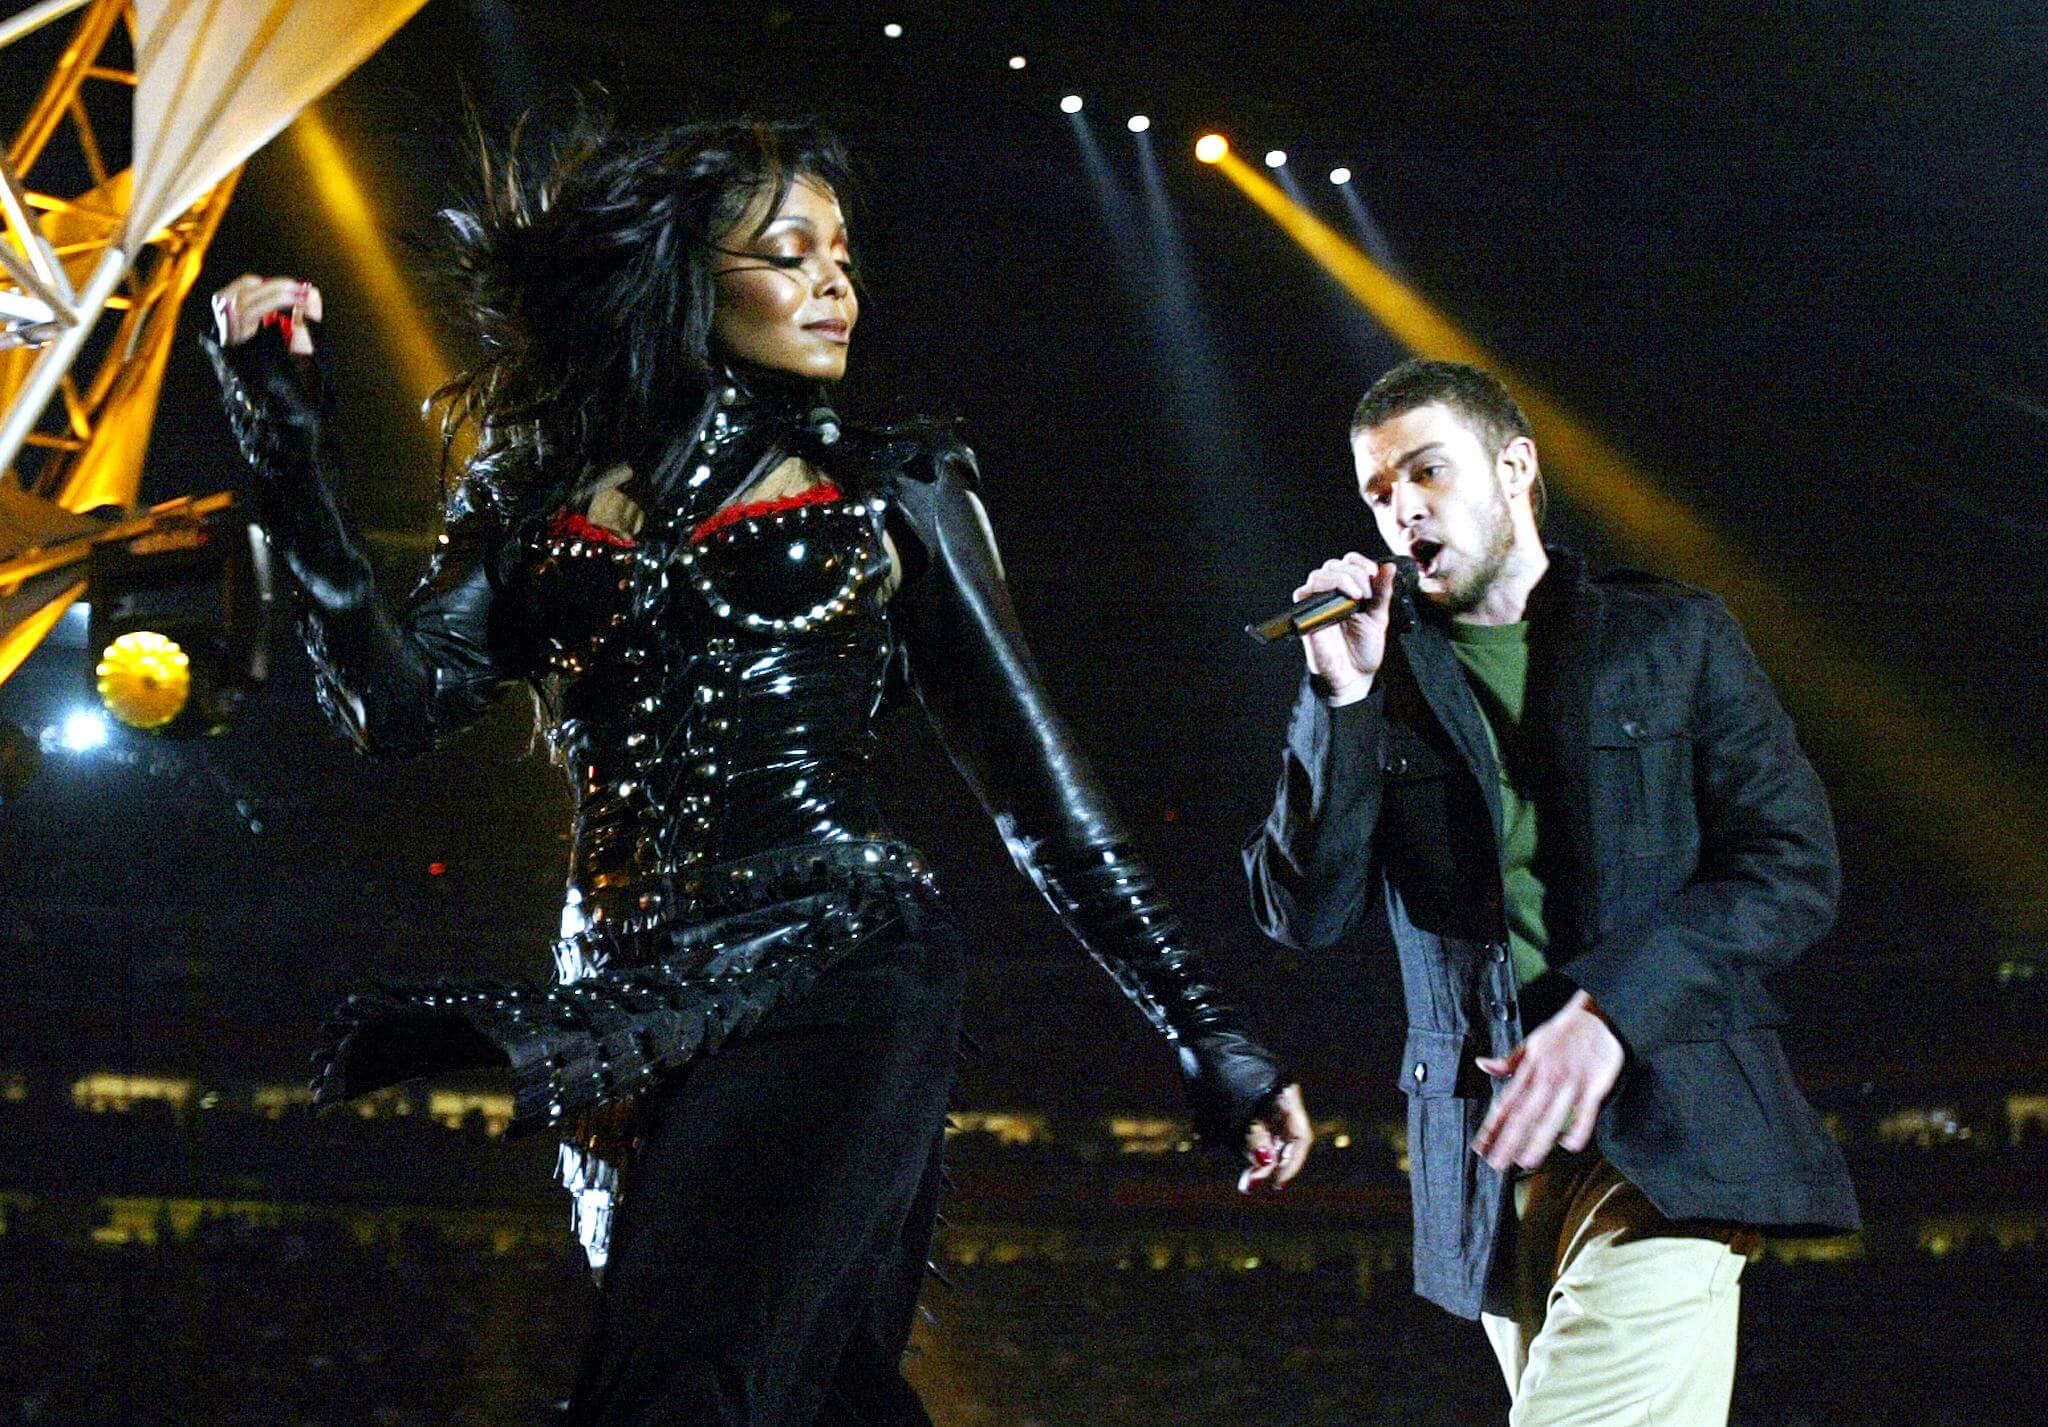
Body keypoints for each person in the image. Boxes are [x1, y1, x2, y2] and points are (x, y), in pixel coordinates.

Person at [203, 113, 1311, 1426]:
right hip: (619, 994)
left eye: (843, 254)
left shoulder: (896, 496)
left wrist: (1207, 1032)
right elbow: (389, 704)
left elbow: (1044, 798)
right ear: (683, 276)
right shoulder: (543, 497)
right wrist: (285, 436)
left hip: (838, 966)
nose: (836, 282)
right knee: (811, 1388)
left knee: (675, 1380)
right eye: (793, 254)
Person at [1244, 359, 1857, 1425]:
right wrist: (1334, 702)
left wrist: (1614, 1007)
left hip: (1669, 1134)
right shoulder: (1371, 678)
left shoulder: (1672, 636)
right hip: (1492, 1158)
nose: (1402, 509)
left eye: (1426, 471)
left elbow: (1790, 865)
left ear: (1514, 465)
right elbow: (1303, 911)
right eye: (1378, 492)